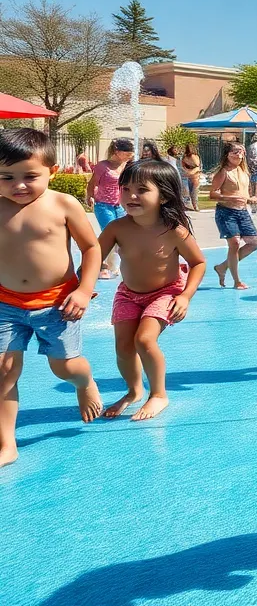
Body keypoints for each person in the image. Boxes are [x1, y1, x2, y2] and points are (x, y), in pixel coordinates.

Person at [0, 128, 103, 467]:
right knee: (4, 372)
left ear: (52, 172)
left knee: (65, 368)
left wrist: (84, 289)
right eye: (6, 177)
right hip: (5, 304)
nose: (18, 185)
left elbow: (91, 248)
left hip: (58, 305)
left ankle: (84, 382)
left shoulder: (63, 204)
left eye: (30, 176)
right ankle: (7, 444)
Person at [98, 159, 205, 421]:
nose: (131, 196)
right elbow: (92, 258)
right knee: (124, 347)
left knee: (144, 340)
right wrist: (80, 285)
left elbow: (198, 263)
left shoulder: (173, 231)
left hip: (166, 292)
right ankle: (134, 391)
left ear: (164, 196)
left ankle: (159, 394)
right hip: (128, 293)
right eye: (125, 189)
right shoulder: (116, 228)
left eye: (142, 190)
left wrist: (185, 296)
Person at [210, 142, 257, 290]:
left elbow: (244, 193)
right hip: (226, 212)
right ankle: (237, 281)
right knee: (235, 244)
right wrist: (229, 198)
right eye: (235, 152)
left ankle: (223, 266)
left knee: (254, 243)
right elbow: (212, 194)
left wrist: (251, 198)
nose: (238, 155)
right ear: (227, 155)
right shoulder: (223, 172)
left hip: (242, 211)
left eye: (241, 152)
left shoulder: (244, 171)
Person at [87, 138, 135, 279]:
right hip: (103, 205)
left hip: (120, 205)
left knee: (121, 235)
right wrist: (90, 196)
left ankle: (114, 265)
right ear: (117, 152)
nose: (130, 156)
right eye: (127, 153)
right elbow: (92, 183)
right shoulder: (103, 166)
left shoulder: (128, 166)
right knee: (109, 234)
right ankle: (102, 265)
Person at [180, 144, 202, 211]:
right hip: (191, 176)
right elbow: (183, 166)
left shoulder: (193, 156)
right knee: (189, 192)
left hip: (193, 176)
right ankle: (191, 206)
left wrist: (188, 172)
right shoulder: (185, 157)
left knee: (193, 192)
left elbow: (197, 167)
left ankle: (194, 206)